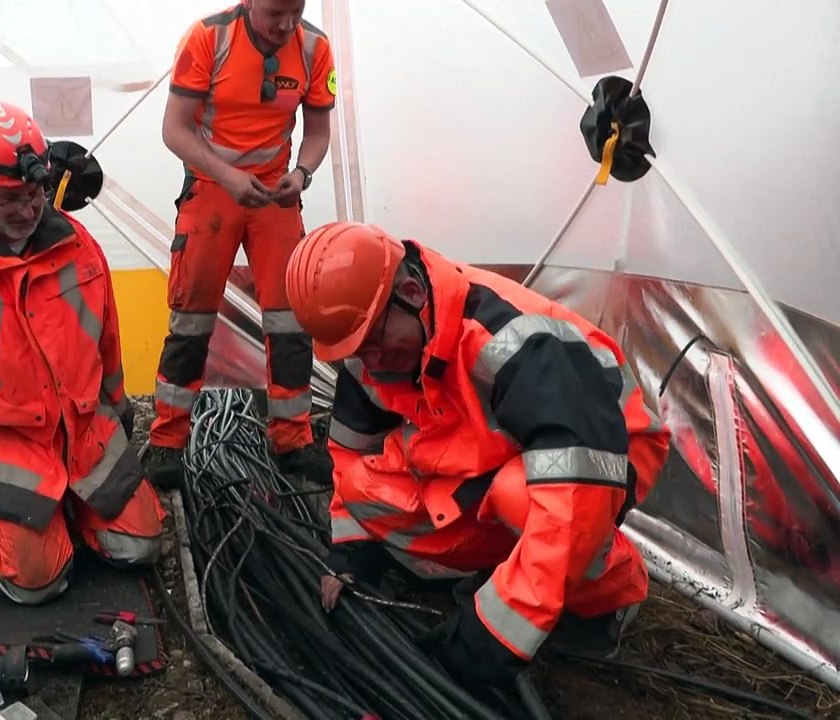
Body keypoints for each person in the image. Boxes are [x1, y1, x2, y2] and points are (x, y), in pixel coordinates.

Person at [284, 221, 672, 690]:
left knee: (523, 498)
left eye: (375, 344)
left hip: (604, 450)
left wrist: (494, 636)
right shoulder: (371, 347)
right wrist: (351, 551)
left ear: (411, 291)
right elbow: (349, 457)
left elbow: (576, 486)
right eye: (356, 352)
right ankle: (512, 564)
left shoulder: (511, 339)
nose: (373, 363)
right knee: (370, 484)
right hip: (492, 447)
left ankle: (608, 597)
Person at [0, 101, 166, 605]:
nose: (26, 210)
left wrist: (118, 407)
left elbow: (106, 340)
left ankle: (72, 508)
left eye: (34, 194)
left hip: (86, 434)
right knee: (35, 584)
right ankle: (32, 523)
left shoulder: (78, 244)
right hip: (12, 446)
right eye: (9, 201)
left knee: (141, 547)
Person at [144, 0, 337, 489]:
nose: (286, 25)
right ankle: (167, 441)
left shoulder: (315, 48)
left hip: (275, 193)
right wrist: (226, 175)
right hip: (212, 190)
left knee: (291, 319)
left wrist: (301, 173)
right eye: (275, 13)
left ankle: (291, 439)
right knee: (191, 319)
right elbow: (174, 130)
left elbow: (317, 133)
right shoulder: (208, 39)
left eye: (296, 10)